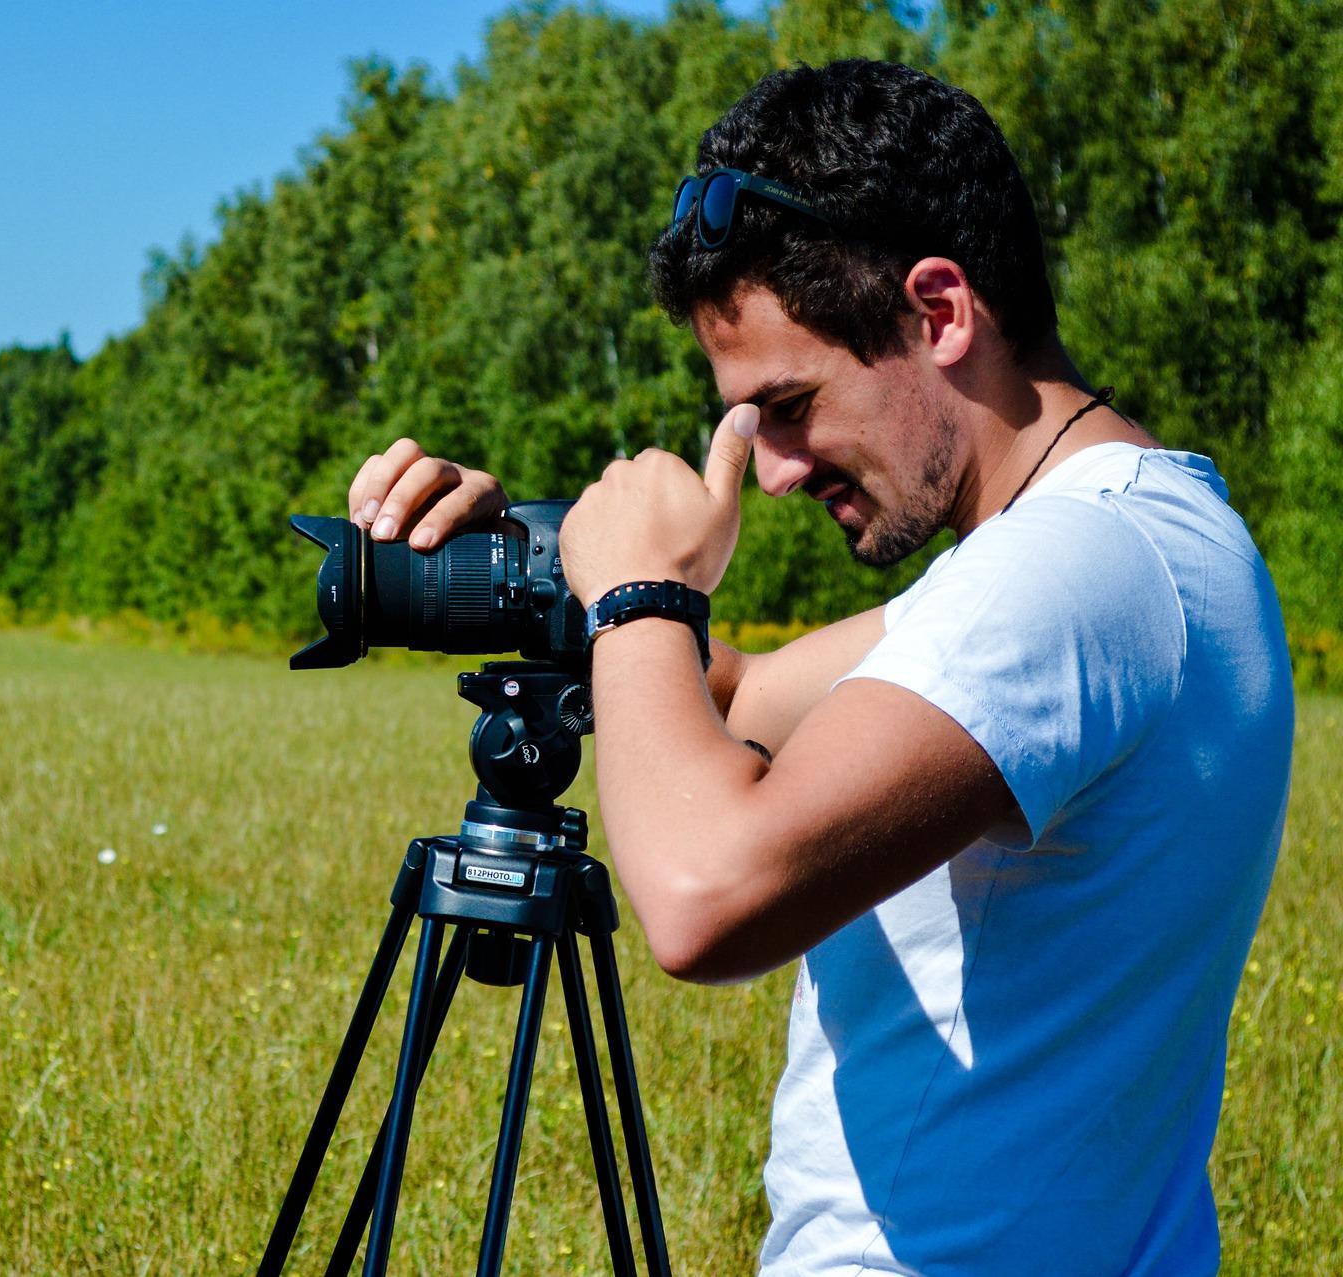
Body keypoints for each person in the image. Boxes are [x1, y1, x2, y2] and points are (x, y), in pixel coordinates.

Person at [343, 59, 1293, 1276]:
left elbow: (704, 894)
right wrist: (531, 562)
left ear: (940, 311)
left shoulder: (1071, 577)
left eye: (788, 403)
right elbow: (732, 694)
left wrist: (644, 591)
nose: (777, 469)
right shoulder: (1146, 537)